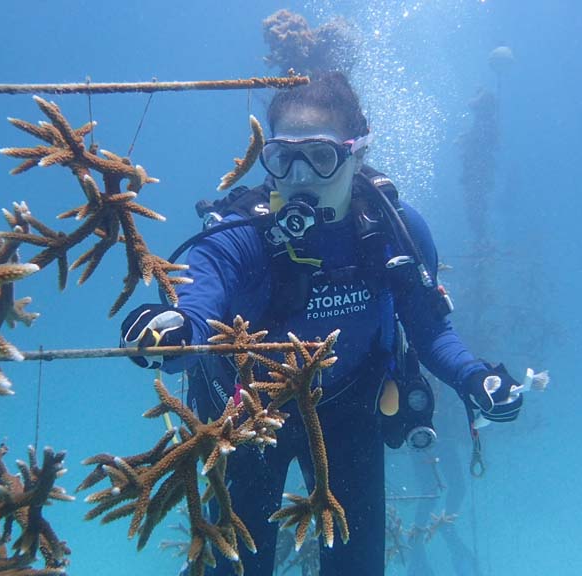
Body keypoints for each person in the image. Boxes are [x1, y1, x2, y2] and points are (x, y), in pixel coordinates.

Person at [120, 72, 523, 576]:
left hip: (348, 412)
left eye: (322, 155)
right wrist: (174, 326)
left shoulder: (394, 230)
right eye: (283, 157)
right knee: (234, 569)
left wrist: (472, 376)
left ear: (356, 155)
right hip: (246, 417)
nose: (300, 176)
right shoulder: (245, 228)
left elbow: (428, 327)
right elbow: (203, 289)